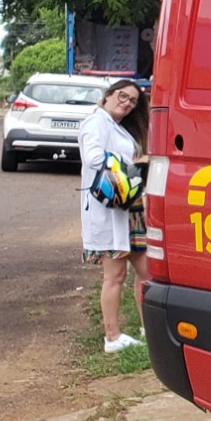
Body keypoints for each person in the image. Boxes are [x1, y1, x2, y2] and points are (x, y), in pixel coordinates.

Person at [79, 79, 149, 354]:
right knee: (115, 275)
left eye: (132, 101)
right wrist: (135, 166)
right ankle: (112, 337)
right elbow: (94, 158)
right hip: (109, 210)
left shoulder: (116, 126)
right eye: (123, 96)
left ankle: (148, 328)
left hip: (130, 209)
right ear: (108, 95)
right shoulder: (95, 123)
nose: (127, 103)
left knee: (146, 271)